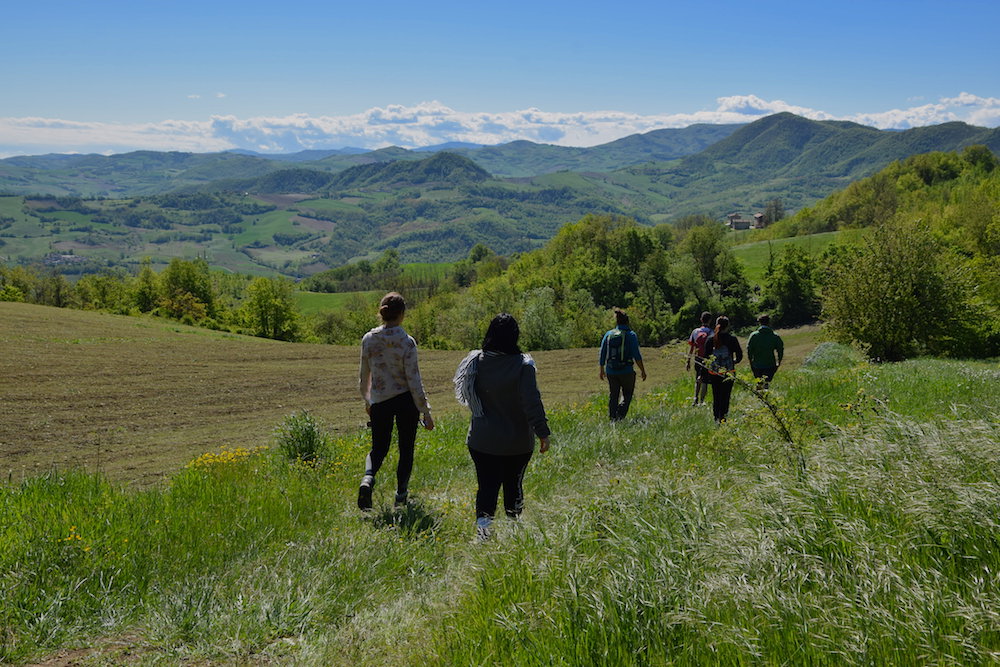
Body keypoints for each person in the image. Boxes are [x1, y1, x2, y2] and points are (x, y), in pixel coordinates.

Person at [454, 314, 550, 541]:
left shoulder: (475, 362)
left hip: (482, 440)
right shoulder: (523, 365)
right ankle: (514, 534)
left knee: (486, 487)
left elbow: (470, 395)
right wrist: (543, 432)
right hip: (517, 443)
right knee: (513, 486)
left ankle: (484, 535)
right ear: (515, 336)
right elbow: (531, 402)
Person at [357, 292, 434, 510]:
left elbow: (364, 375)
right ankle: (401, 496)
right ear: (402, 314)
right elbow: (414, 379)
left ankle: (368, 478)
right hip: (405, 402)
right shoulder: (406, 342)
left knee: (378, 449)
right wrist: (425, 411)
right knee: (405, 448)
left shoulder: (369, 339)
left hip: (380, 401)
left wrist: (367, 399)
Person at [599, 309, 647, 421]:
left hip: (611, 371)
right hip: (627, 371)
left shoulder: (609, 334)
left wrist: (601, 369)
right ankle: (620, 417)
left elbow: (602, 352)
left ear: (617, 322)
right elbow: (637, 355)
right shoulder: (631, 335)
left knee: (613, 395)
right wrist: (643, 371)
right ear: (627, 322)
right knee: (627, 394)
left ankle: (612, 419)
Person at [703, 315, 743, 423]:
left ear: (716, 325)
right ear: (728, 326)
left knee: (716, 396)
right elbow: (739, 356)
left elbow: (706, 357)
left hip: (714, 373)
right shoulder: (732, 339)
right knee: (726, 396)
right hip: (728, 372)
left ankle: (716, 419)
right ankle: (724, 418)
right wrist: (733, 362)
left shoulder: (711, 339)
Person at [746, 314, 784, 390]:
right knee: (766, 384)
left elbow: (749, 349)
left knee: (759, 383)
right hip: (770, 364)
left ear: (759, 323)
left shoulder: (754, 336)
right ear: (769, 322)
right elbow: (780, 350)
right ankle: (765, 398)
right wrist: (779, 361)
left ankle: (759, 398)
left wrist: (751, 361)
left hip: (757, 364)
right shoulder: (774, 336)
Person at [685, 311, 714, 406]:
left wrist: (688, 361)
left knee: (698, 377)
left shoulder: (695, 332)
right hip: (707, 358)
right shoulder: (711, 332)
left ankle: (695, 398)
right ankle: (702, 401)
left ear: (701, 320)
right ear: (710, 321)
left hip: (697, 358)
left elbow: (691, 347)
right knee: (705, 380)